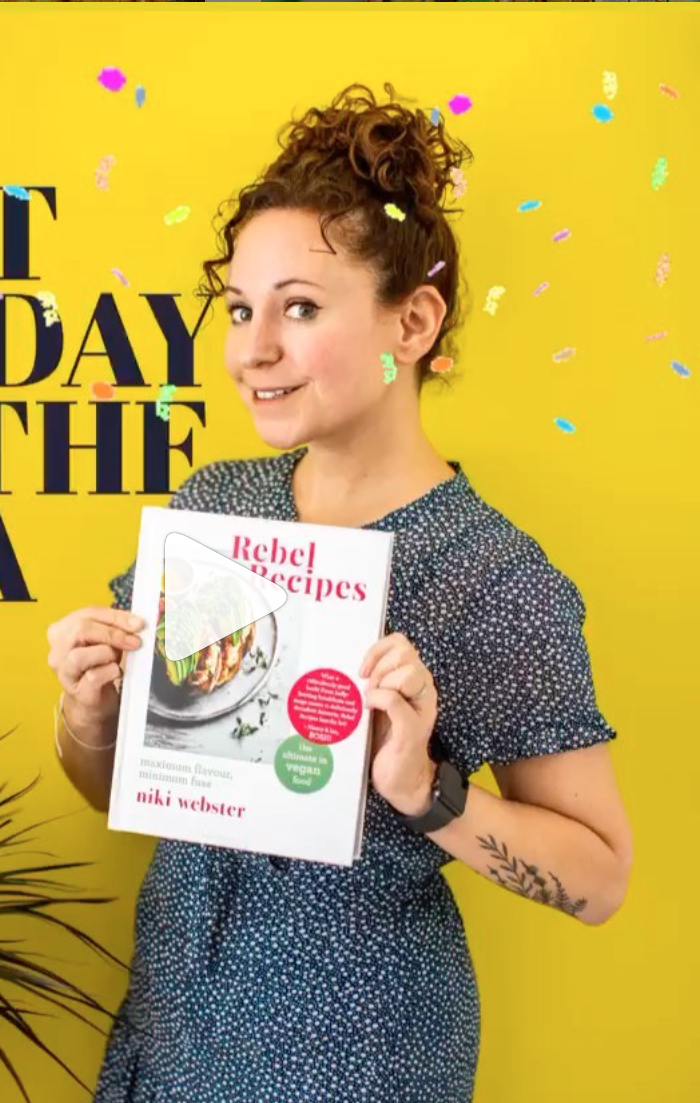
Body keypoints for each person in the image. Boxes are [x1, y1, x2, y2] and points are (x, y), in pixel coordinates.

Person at [46, 82, 633, 1103]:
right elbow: (124, 795)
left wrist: (426, 791)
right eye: (238, 308)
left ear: (411, 321)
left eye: (299, 308)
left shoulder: (498, 579)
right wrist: (89, 713)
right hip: (174, 1014)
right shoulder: (214, 509)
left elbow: (598, 881)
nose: (249, 350)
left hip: (356, 1050)